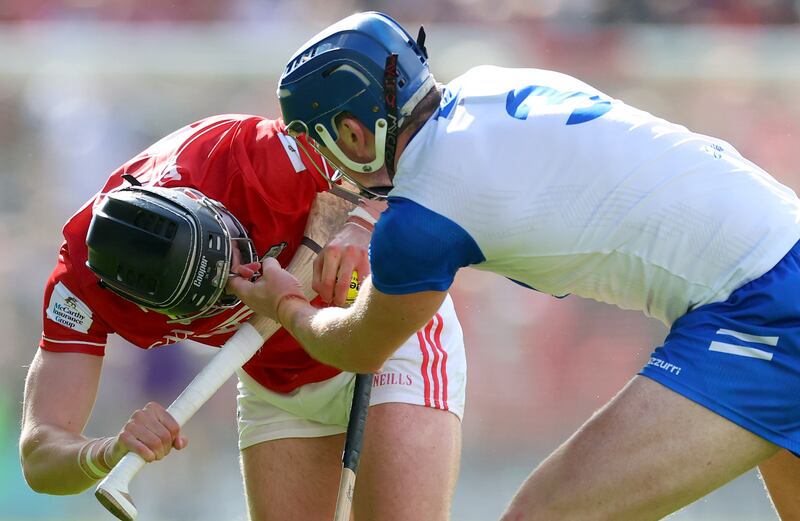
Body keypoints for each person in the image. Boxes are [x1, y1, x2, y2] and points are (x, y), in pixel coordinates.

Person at [228, 11, 800, 521]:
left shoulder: (421, 225)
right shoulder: (488, 82)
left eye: (317, 142)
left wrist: (285, 304)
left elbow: (356, 347)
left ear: (353, 133)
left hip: (761, 312)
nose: (323, 164)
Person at [19, 114, 467, 521]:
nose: (248, 274)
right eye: (221, 292)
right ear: (156, 310)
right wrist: (107, 451)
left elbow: (417, 146)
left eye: (237, 246)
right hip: (275, 387)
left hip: (381, 337)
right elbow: (40, 454)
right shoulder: (80, 289)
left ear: (202, 203)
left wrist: (364, 219)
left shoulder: (253, 155)